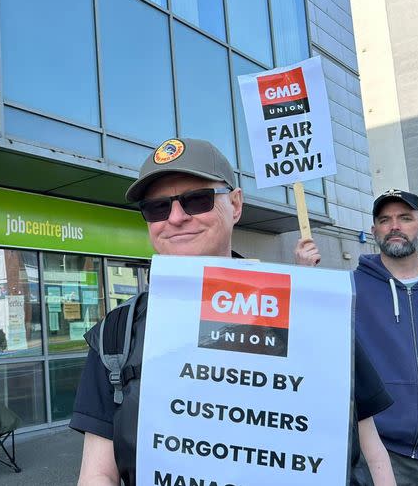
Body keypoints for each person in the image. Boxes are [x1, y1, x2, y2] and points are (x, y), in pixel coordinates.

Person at [71, 138, 396, 486]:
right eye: (157, 208)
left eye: (197, 200)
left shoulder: (313, 312)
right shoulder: (116, 333)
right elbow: (98, 473)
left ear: (236, 204)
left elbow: (370, 449)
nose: (176, 218)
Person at [335, 189, 418, 485]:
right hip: (380, 456)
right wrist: (306, 275)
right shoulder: (349, 288)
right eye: (385, 220)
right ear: (374, 231)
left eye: (405, 218)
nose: (394, 226)